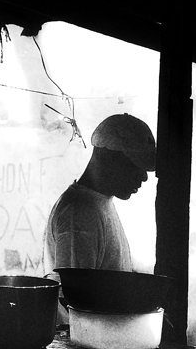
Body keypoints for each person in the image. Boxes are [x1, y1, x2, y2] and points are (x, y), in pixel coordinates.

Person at [43, 113, 156, 278]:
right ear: (108, 157)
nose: (144, 177)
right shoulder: (79, 213)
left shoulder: (98, 204)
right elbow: (77, 291)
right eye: (135, 165)